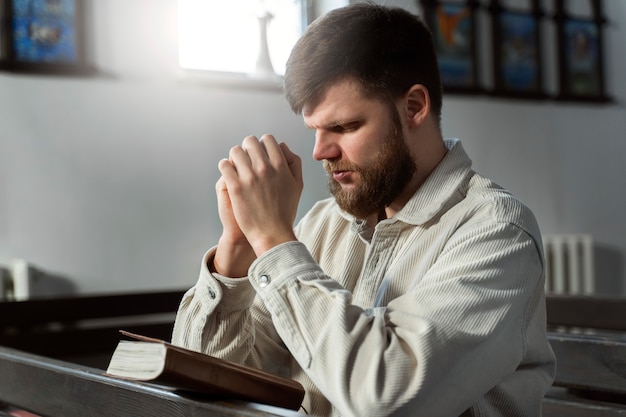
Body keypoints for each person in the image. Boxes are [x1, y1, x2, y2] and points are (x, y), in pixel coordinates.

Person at [172, 3, 556, 416]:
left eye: (344, 127)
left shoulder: (497, 233)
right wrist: (237, 248)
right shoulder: (321, 224)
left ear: (413, 107)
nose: (321, 151)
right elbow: (205, 381)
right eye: (315, 130)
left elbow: (386, 398)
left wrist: (272, 239)